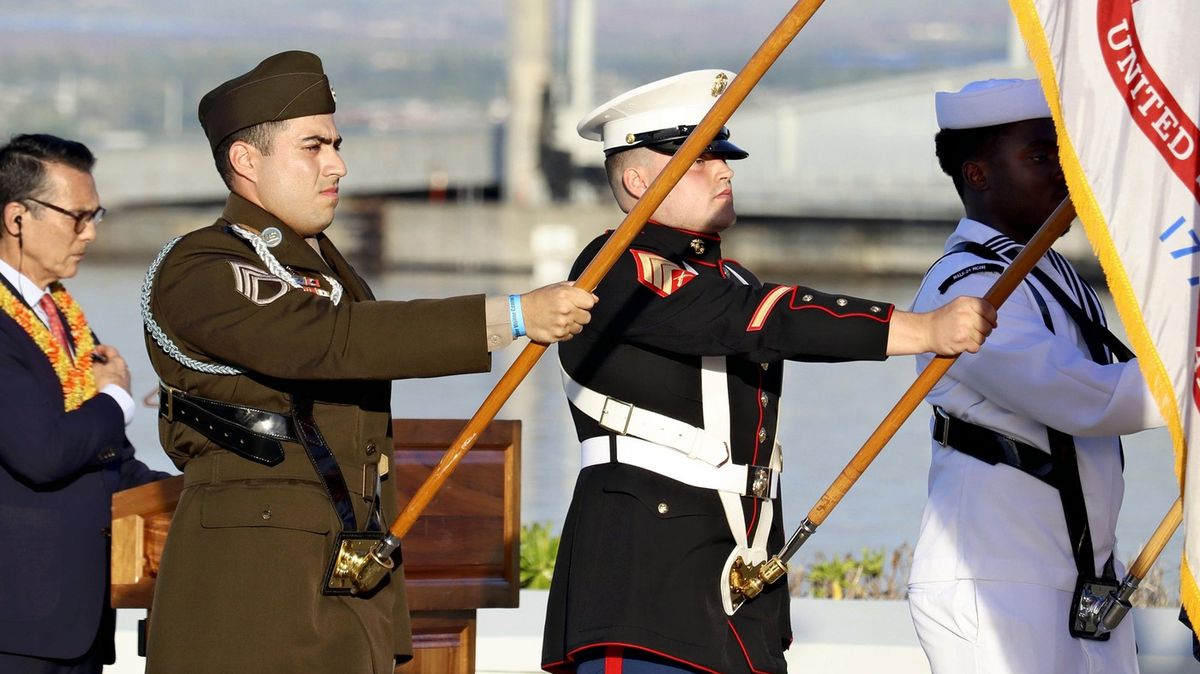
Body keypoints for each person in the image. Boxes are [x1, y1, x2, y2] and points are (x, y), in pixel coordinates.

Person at [141, 51, 595, 673]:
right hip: (254, 589)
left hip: (347, 576)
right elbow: (323, 341)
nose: (338, 165)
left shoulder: (327, 270)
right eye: (313, 147)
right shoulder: (201, 267)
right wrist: (511, 316)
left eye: (336, 145)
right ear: (246, 161)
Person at [540, 69, 998, 674]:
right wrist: (922, 329)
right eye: (700, 160)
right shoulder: (614, 271)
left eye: (723, 157)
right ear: (637, 180)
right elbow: (759, 320)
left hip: (735, 595)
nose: (724, 172)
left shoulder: (730, 279)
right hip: (644, 593)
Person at [905, 78, 1165, 674]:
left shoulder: (1051, 273)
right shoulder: (968, 288)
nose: (1062, 174)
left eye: (1063, 156)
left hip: (1080, 582)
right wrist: (1188, 379)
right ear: (978, 175)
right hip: (996, 580)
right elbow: (1086, 400)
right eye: (1040, 157)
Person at [0, 134, 170, 674]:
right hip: (17, 622)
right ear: (16, 218)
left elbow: (108, 455)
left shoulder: (60, 314)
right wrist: (117, 397)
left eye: (94, 215)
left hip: (81, 616)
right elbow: (43, 454)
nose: (91, 232)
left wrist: (193, 492)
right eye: (77, 217)